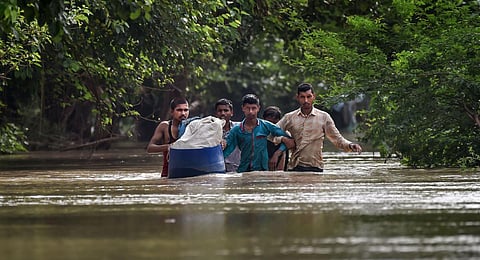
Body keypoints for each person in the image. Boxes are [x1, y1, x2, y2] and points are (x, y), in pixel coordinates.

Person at [275, 83, 363, 172]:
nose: (306, 100)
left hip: (316, 167)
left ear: (314, 97)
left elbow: (337, 139)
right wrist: (283, 139)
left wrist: (350, 145)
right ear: (297, 97)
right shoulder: (289, 117)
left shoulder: (324, 117)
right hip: (294, 167)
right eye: (302, 97)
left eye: (309, 97)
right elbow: (271, 133)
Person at [223, 94, 292, 172]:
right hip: (244, 170)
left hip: (263, 170)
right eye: (248, 108)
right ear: (243, 108)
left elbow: (289, 140)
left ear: (258, 108)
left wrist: (277, 154)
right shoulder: (236, 130)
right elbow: (228, 148)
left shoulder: (267, 126)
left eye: (253, 108)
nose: (251, 112)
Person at [147, 97, 190, 177]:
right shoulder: (164, 126)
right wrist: (170, 146)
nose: (183, 113)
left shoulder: (192, 127)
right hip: (168, 176)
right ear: (171, 112)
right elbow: (150, 148)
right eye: (179, 110)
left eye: (186, 110)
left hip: (187, 176)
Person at [214, 98, 241, 172]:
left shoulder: (239, 128)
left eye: (226, 110)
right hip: (218, 170)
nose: (223, 113)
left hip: (237, 169)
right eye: (220, 111)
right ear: (216, 114)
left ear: (231, 113)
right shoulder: (211, 131)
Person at [263, 106, 288, 171]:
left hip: (280, 166)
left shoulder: (283, 132)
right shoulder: (260, 132)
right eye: (269, 122)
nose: (271, 126)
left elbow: (290, 142)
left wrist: (276, 154)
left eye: (274, 123)